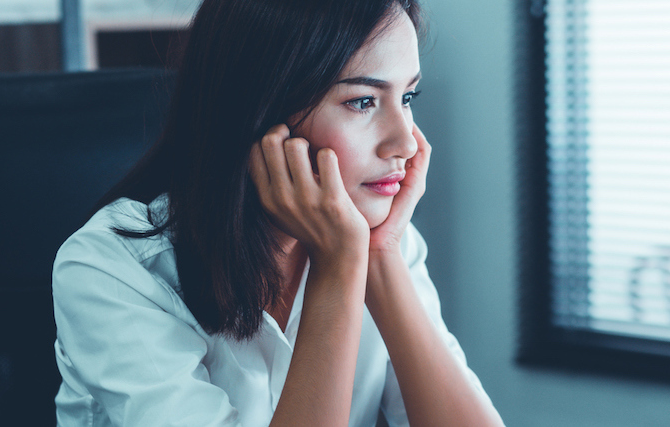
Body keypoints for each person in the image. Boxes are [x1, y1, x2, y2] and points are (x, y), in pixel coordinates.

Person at [51, 0, 503, 425]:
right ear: (263, 112)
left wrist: (380, 256)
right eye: (362, 101)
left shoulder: (382, 237)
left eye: (407, 98)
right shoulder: (110, 269)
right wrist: (339, 267)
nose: (405, 143)